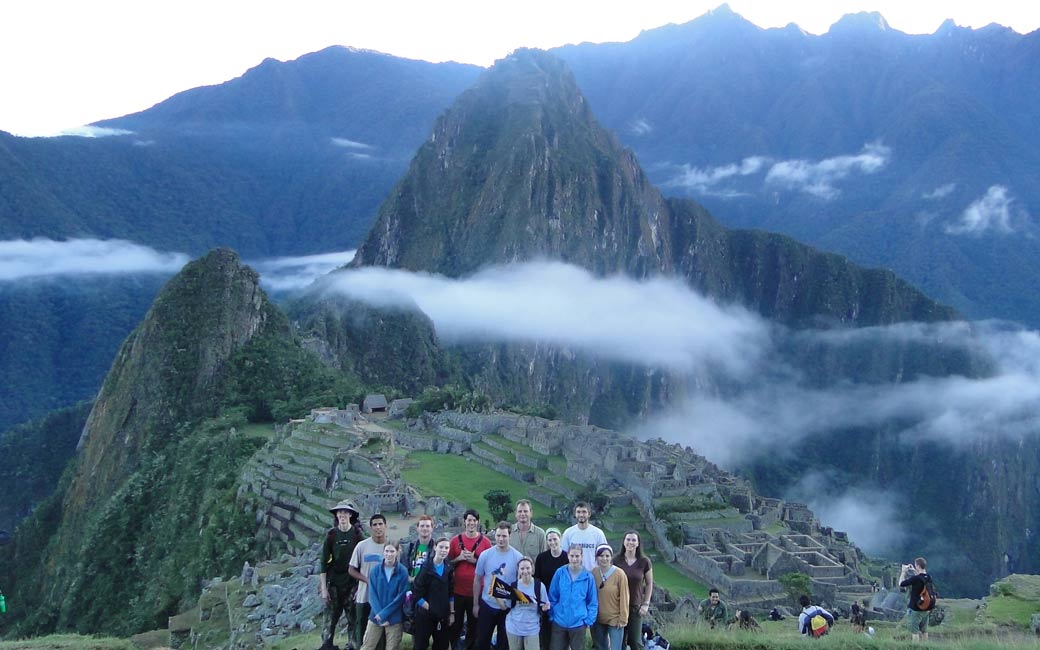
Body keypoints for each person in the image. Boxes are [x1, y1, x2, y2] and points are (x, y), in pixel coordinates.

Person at [320, 500, 364, 650]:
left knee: (353, 619)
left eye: (345, 512)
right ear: (336, 515)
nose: (343, 515)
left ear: (350, 515)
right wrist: (324, 589)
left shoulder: (358, 535)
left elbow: (364, 562)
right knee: (329, 620)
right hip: (334, 584)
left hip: (352, 583)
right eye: (340, 513)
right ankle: (327, 645)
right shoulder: (331, 536)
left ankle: (352, 646)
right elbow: (323, 564)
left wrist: (360, 587)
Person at [473, 522, 524, 650]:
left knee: (504, 644)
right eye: (498, 535)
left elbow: (521, 585)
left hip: (507, 608)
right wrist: (475, 604)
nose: (501, 539)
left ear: (510, 536)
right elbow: (477, 580)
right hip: (487, 605)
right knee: (482, 641)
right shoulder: (485, 555)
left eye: (504, 536)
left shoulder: (518, 557)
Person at [449, 509, 492, 650]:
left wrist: (475, 560)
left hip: (477, 593)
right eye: (469, 520)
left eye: (474, 520)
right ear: (464, 521)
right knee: (456, 625)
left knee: (474, 626)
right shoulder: (455, 541)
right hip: (458, 591)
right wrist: (459, 558)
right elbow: (448, 564)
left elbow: (490, 566)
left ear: (478, 522)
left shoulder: (485, 543)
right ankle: (455, 647)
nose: (471, 523)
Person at [350, 514, 390, 650]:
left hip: (383, 600)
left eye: (380, 524)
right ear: (371, 527)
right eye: (375, 525)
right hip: (364, 597)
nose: (378, 527)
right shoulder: (362, 546)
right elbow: (351, 569)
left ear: (385, 526)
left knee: (382, 636)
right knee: (361, 633)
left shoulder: (391, 547)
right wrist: (367, 580)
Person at [361, 543, 410, 650]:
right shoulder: (375, 570)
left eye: (392, 551)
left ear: (397, 552)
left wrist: (384, 614)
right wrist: (379, 615)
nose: (389, 554)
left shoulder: (403, 572)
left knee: (392, 647)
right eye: (387, 551)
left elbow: (400, 597)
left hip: (394, 618)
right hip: (375, 616)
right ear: (383, 552)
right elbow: (372, 595)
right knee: (367, 646)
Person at [548, 546, 598, 650]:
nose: (574, 559)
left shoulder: (588, 577)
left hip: (578, 623)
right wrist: (552, 615)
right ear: (568, 556)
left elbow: (592, 601)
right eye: (572, 556)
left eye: (577, 556)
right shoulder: (560, 573)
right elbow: (552, 596)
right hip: (559, 622)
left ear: (582, 557)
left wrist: (588, 621)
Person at [412, 537, 455, 650]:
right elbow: (416, 591)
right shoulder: (426, 568)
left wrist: (451, 612)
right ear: (435, 547)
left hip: (443, 616)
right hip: (425, 616)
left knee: (442, 646)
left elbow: (450, 592)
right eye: (441, 547)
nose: (443, 550)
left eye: (446, 548)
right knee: (420, 645)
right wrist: (429, 607)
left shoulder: (449, 569)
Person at [613, 531, 652, 650]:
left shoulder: (644, 562)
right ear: (624, 542)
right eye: (628, 539)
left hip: (635, 607)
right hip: (618, 607)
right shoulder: (616, 561)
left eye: (634, 540)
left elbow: (649, 583)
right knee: (620, 642)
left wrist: (645, 604)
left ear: (638, 543)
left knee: (635, 641)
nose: (631, 542)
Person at [534, 528, 568, 650]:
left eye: (555, 539)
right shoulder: (542, 558)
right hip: (545, 601)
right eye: (550, 540)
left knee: (561, 635)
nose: (552, 542)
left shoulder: (567, 558)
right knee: (545, 635)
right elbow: (537, 580)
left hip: (562, 602)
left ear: (560, 539)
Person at [505, 557, 549, 650]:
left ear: (532, 569)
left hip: (532, 629)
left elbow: (544, 605)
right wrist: (496, 595)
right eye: (522, 568)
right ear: (518, 570)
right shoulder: (513, 586)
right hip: (514, 628)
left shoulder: (539, 586)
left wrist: (545, 607)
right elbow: (506, 606)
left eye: (528, 568)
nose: (525, 571)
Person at [591, 545, 628, 650]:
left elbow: (625, 597)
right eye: (601, 556)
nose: (604, 558)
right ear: (597, 557)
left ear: (611, 557)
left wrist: (623, 618)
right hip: (598, 619)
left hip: (615, 619)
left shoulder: (619, 574)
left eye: (607, 556)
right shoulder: (593, 573)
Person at [560, 502, 607, 572]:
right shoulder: (568, 533)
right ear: (575, 514)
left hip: (592, 575)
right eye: (578, 512)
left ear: (589, 514)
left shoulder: (598, 533)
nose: (581, 515)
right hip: (574, 574)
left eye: (584, 512)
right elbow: (564, 556)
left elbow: (604, 555)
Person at [899, 557, 933, 642]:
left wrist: (903, 571)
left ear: (918, 566)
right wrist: (914, 570)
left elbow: (901, 584)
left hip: (916, 608)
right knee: (924, 631)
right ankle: (925, 647)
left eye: (915, 565)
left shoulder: (915, 579)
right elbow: (920, 577)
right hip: (926, 607)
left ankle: (915, 647)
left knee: (914, 632)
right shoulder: (928, 577)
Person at [404, 515, 436, 581]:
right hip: (412, 586)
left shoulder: (436, 549)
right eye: (422, 526)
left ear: (432, 528)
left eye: (427, 526)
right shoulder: (409, 547)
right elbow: (404, 567)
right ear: (417, 528)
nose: (424, 528)